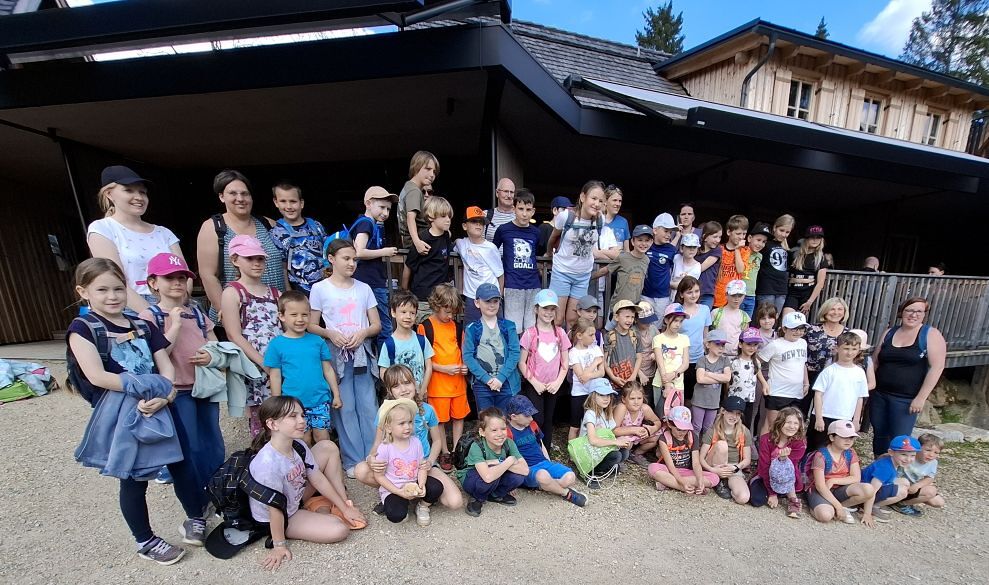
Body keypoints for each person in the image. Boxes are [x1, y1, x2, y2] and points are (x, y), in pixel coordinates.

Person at [69, 258, 191, 565]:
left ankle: (196, 517)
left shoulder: (143, 325)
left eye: (118, 289)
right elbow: (97, 376)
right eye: (102, 290)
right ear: (83, 292)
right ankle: (145, 540)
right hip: (124, 409)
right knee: (134, 475)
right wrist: (145, 388)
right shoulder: (83, 329)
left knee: (182, 461)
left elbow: (164, 365)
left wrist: (165, 393)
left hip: (160, 402)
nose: (112, 296)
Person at [139, 253, 224, 502]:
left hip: (204, 385)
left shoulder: (196, 312)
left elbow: (215, 345)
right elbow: (156, 355)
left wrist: (211, 356)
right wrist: (174, 325)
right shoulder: (150, 316)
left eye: (181, 278)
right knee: (190, 444)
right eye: (169, 278)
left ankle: (218, 490)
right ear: (153, 283)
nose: (177, 283)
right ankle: (197, 497)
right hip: (177, 390)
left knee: (212, 440)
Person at [249, 397, 359, 570]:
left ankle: (341, 503)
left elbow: (316, 477)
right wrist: (279, 546)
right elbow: (274, 509)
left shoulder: (298, 445)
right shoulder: (267, 464)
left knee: (327, 446)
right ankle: (316, 509)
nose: (302, 421)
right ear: (272, 424)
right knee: (339, 530)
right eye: (293, 416)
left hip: (295, 494)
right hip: (283, 513)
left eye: (302, 415)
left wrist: (344, 508)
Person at [308, 238, 382, 478]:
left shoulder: (364, 288)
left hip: (362, 352)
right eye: (346, 258)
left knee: (368, 404)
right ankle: (352, 459)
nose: (351, 263)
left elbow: (376, 324)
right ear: (331, 259)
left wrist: (363, 333)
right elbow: (311, 325)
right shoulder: (320, 289)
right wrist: (330, 333)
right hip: (335, 352)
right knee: (344, 406)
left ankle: (374, 455)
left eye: (354, 259)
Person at [355, 365, 463, 519]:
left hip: (422, 465)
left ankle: (421, 499)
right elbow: (377, 443)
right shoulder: (385, 413)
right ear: (390, 390)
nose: (403, 389)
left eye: (407, 383)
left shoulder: (428, 410)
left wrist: (430, 462)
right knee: (361, 470)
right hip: (395, 468)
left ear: (415, 383)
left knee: (455, 502)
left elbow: (437, 441)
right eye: (396, 386)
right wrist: (371, 458)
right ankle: (394, 494)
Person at [87, 165, 186, 313]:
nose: (139, 197)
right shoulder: (102, 228)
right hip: (128, 306)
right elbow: (115, 279)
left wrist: (176, 307)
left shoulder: (164, 233)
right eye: (128, 190)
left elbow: (185, 274)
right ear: (109, 194)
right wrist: (155, 316)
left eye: (142, 192)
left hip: (174, 303)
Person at [197, 170, 286, 325]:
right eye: (233, 193)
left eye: (245, 193)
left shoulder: (268, 224)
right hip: (237, 317)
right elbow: (208, 275)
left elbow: (285, 266)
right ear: (221, 196)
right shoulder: (214, 227)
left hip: (274, 315)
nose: (240, 198)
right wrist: (225, 313)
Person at [219, 235, 281, 437]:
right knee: (261, 419)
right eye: (250, 258)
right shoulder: (233, 293)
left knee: (284, 413)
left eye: (260, 258)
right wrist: (264, 363)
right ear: (235, 260)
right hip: (254, 366)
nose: (256, 263)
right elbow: (233, 334)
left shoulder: (275, 294)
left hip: (279, 364)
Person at [870, 297, 946, 457]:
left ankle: (897, 469)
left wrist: (921, 397)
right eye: (909, 310)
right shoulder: (889, 332)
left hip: (906, 399)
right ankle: (880, 465)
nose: (913, 314)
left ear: (924, 314)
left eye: (919, 311)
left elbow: (937, 367)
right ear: (901, 312)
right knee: (879, 434)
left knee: (900, 439)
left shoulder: (930, 334)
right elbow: (875, 361)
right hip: (880, 395)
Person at [265, 291, 342, 445]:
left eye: (305, 315)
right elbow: (275, 376)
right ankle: (305, 462)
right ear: (282, 316)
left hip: (320, 400)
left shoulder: (317, 341)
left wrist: (336, 394)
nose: (300, 319)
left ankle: (324, 461)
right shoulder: (276, 344)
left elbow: (327, 369)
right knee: (302, 440)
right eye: (294, 315)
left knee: (322, 438)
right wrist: (277, 402)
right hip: (293, 404)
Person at [546, 180, 618, 327]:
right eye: (593, 198)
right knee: (557, 319)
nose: (597, 204)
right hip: (562, 271)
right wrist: (549, 253)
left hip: (583, 275)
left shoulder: (600, 219)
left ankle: (570, 343)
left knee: (574, 319)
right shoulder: (566, 216)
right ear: (583, 197)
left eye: (601, 201)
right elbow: (553, 237)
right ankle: (555, 342)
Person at [417, 284, 469, 471]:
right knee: (439, 419)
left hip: (457, 383)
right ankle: (445, 451)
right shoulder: (426, 327)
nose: (450, 316)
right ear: (436, 305)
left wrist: (465, 367)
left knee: (458, 417)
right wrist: (443, 369)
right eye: (447, 312)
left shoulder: (457, 327)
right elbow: (423, 359)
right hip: (438, 384)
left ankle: (457, 450)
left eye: (453, 312)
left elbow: (463, 351)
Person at [371, 398, 446, 525]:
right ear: (388, 428)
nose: (407, 427)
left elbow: (422, 466)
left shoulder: (416, 442)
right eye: (401, 423)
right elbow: (379, 476)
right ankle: (400, 502)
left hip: (414, 482)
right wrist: (398, 492)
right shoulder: (384, 448)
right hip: (395, 487)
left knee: (436, 487)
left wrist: (421, 484)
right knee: (396, 515)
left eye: (410, 422)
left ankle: (423, 506)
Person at [506, 395, 587, 506]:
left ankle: (546, 486)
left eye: (531, 415)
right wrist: (511, 482)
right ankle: (566, 493)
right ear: (514, 416)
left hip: (543, 463)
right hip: (527, 469)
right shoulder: (508, 433)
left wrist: (548, 461)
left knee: (570, 477)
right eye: (527, 415)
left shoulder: (533, 425)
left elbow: (541, 444)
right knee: (543, 475)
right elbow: (506, 457)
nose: (531, 418)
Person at [518, 289, 571, 451]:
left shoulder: (560, 333)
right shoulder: (530, 334)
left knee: (548, 420)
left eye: (552, 309)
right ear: (536, 309)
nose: (549, 312)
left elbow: (565, 362)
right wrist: (535, 383)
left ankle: (545, 451)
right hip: (535, 385)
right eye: (545, 308)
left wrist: (558, 382)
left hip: (553, 385)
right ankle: (532, 450)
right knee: (536, 418)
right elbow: (522, 363)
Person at [458, 407, 530, 517]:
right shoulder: (477, 446)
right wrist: (509, 460)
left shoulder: (509, 443)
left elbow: (525, 470)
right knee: (491, 474)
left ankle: (496, 495)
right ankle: (477, 498)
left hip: (493, 474)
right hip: (472, 479)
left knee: (518, 477)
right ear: (482, 432)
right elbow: (487, 477)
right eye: (494, 430)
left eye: (503, 429)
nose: (500, 434)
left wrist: (498, 462)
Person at [352, 186, 400, 346]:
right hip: (370, 281)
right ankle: (385, 360)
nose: (385, 213)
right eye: (382, 207)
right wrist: (384, 251)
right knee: (384, 326)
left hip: (367, 281)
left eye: (388, 209)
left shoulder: (371, 223)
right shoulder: (366, 223)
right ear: (368, 203)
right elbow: (359, 251)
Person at [463, 282, 521, 412]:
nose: (492, 305)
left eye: (495, 301)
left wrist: (500, 378)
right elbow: (468, 356)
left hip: (506, 382)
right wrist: (487, 379)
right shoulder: (472, 329)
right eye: (487, 301)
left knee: (505, 419)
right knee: (486, 419)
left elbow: (515, 353)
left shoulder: (509, 326)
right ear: (477, 303)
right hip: (482, 384)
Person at [807, 420, 877, 526]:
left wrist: (833, 480)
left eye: (851, 437)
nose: (848, 441)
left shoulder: (851, 453)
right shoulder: (820, 455)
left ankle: (840, 507)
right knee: (825, 516)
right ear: (832, 437)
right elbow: (820, 486)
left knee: (869, 489)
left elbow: (856, 477)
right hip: (822, 490)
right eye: (844, 437)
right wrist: (837, 506)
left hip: (840, 488)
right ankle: (834, 507)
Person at [809, 331, 869, 451]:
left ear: (859, 350)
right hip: (825, 416)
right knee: (816, 448)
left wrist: (856, 420)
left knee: (838, 449)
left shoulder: (860, 372)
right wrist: (819, 418)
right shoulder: (829, 371)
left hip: (845, 417)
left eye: (854, 349)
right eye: (846, 348)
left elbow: (860, 397)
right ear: (837, 349)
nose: (850, 352)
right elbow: (818, 394)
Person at [268, 181, 327, 296]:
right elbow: (282, 267)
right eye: (283, 201)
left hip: (325, 286)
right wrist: (288, 291)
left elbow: (328, 252)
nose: (289, 206)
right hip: (300, 290)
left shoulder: (316, 226)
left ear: (301, 203)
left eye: (293, 201)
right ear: (276, 202)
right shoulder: (276, 233)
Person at [494, 188, 541, 332]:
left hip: (533, 285)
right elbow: (493, 252)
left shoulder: (536, 232)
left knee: (531, 329)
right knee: (513, 328)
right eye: (521, 209)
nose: (524, 213)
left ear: (533, 211)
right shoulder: (503, 230)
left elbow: (537, 253)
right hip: (512, 284)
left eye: (528, 209)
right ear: (514, 209)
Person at [757, 311, 809, 434]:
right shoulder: (775, 345)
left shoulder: (803, 343)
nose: (798, 332)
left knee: (790, 427)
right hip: (777, 391)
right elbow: (756, 362)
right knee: (771, 425)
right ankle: (763, 446)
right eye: (794, 328)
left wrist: (806, 382)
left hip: (796, 392)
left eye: (801, 328)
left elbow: (803, 364)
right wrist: (764, 383)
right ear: (785, 329)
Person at [749, 407, 807, 517]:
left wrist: (782, 459)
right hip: (766, 475)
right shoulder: (766, 439)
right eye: (788, 422)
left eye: (796, 423)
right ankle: (776, 492)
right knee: (757, 500)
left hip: (787, 478)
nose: (792, 426)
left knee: (786, 468)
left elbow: (790, 469)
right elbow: (764, 467)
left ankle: (793, 499)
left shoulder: (800, 443)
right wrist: (772, 493)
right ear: (780, 422)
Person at [405, 196, 454, 322]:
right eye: (443, 216)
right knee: (425, 329)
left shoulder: (446, 236)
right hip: (423, 297)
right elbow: (408, 265)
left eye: (449, 216)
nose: (448, 220)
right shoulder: (422, 239)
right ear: (431, 217)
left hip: (440, 297)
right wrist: (404, 292)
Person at [648, 406, 718, 494]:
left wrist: (700, 481)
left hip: (686, 471)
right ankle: (683, 487)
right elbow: (671, 466)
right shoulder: (663, 439)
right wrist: (682, 483)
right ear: (669, 424)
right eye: (679, 429)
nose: (682, 433)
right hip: (669, 470)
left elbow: (696, 463)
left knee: (715, 478)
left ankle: (669, 483)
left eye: (685, 430)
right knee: (652, 468)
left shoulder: (692, 437)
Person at [377, 289, 434, 394]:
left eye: (412, 313)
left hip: (419, 394)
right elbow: (383, 371)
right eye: (403, 312)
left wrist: (422, 391)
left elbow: (429, 367)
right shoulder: (389, 344)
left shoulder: (422, 340)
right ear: (393, 312)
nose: (408, 316)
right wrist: (394, 391)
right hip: (399, 396)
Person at [397, 150, 439, 288]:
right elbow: (411, 217)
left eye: (434, 171)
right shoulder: (414, 191)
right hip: (419, 241)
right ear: (416, 167)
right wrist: (417, 242)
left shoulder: (408, 187)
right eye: (427, 169)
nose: (432, 174)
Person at [699, 396, 753, 503]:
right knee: (722, 445)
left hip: (732, 467)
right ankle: (717, 479)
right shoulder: (712, 430)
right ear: (723, 411)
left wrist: (736, 467)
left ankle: (726, 482)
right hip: (714, 465)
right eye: (731, 412)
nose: (734, 416)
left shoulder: (744, 431)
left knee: (743, 498)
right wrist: (713, 470)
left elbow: (747, 459)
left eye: (738, 413)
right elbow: (701, 458)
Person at [457, 206, 504, 324]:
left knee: (496, 330)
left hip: (491, 297)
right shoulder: (461, 243)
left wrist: (499, 297)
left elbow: (500, 274)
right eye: (474, 221)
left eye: (481, 222)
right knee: (471, 330)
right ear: (464, 226)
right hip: (472, 296)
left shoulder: (490, 248)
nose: (478, 225)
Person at [580, 379, 632, 485]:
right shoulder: (590, 414)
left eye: (608, 395)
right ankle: (590, 472)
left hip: (600, 449)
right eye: (601, 395)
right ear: (593, 396)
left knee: (624, 452)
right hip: (588, 451)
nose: (606, 398)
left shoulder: (605, 412)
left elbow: (610, 433)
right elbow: (593, 441)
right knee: (616, 455)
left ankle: (605, 468)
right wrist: (615, 442)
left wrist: (622, 441)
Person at [861, 435, 919, 523]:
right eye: (903, 454)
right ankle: (871, 506)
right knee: (903, 492)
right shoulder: (885, 468)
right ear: (891, 452)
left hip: (871, 486)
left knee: (905, 482)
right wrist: (867, 514)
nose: (908, 459)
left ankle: (876, 504)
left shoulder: (891, 461)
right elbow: (872, 490)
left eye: (912, 455)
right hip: (864, 492)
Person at [568, 317, 606, 439]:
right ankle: (572, 449)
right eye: (590, 335)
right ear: (579, 335)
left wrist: (587, 375)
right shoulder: (573, 353)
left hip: (594, 393)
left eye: (594, 334)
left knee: (592, 423)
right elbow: (582, 378)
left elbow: (602, 373)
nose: (594, 338)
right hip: (579, 394)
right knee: (575, 426)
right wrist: (595, 363)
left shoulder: (595, 349)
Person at [675, 276, 711, 403]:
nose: (694, 295)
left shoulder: (705, 309)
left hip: (698, 358)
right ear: (681, 294)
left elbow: (705, 335)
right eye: (689, 292)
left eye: (696, 291)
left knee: (694, 396)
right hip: (679, 359)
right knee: (679, 396)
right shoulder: (676, 310)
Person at [604, 224, 652, 316]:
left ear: (651, 242)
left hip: (634, 306)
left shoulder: (647, 260)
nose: (643, 243)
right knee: (612, 324)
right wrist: (589, 278)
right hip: (618, 305)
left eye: (647, 240)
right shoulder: (623, 257)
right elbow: (606, 270)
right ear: (633, 241)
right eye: (640, 240)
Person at [784, 225, 832, 315]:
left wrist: (809, 302)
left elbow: (820, 283)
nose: (815, 240)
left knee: (800, 321)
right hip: (792, 291)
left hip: (807, 293)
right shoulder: (795, 254)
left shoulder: (821, 258)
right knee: (787, 318)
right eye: (812, 237)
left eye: (818, 238)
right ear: (806, 239)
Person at [804, 297, 851, 390]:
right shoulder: (811, 329)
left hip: (834, 377)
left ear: (844, 312)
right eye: (832, 309)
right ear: (825, 311)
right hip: (808, 376)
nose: (836, 312)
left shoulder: (848, 334)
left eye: (840, 309)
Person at [653, 303, 690, 417]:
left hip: (678, 384)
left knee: (676, 417)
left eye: (680, 321)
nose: (678, 324)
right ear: (666, 320)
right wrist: (666, 384)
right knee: (661, 415)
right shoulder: (658, 338)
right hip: (660, 383)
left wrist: (674, 374)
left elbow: (685, 363)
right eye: (675, 321)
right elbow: (660, 363)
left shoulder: (684, 338)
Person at [613, 381, 662, 466]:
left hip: (637, 435)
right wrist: (634, 430)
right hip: (623, 436)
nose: (636, 402)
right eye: (632, 399)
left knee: (657, 436)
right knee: (626, 443)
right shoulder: (622, 408)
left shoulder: (644, 408)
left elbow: (657, 422)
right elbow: (613, 431)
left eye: (639, 398)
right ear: (624, 399)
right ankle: (623, 456)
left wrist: (651, 429)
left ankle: (636, 454)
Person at [692, 330, 732, 435]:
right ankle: (695, 445)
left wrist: (708, 374)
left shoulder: (725, 360)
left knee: (708, 427)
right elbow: (700, 379)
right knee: (696, 426)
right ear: (708, 345)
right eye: (717, 344)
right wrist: (720, 378)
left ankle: (705, 445)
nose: (721, 347)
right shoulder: (702, 360)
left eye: (723, 345)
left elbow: (727, 378)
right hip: (699, 400)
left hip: (713, 402)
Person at [896, 433, 946, 515]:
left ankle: (902, 504)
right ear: (918, 448)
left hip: (911, 488)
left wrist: (917, 486)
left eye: (936, 452)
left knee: (938, 502)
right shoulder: (910, 455)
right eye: (928, 450)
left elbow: (929, 478)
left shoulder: (933, 463)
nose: (931, 455)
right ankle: (895, 501)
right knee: (930, 491)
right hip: (898, 485)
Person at [755, 214, 795, 315]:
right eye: (781, 230)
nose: (784, 234)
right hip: (766, 287)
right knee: (765, 317)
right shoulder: (766, 243)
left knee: (775, 318)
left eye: (787, 232)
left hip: (781, 289)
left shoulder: (786, 247)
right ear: (774, 228)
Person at [729, 327, 766, 434]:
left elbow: (759, 375)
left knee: (745, 426)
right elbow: (727, 382)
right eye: (749, 344)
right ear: (741, 344)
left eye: (755, 345)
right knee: (732, 425)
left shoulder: (756, 362)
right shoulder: (733, 362)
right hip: (734, 399)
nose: (752, 348)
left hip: (749, 400)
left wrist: (765, 385)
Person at [641, 213, 678, 318]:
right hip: (645, 294)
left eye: (670, 232)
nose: (668, 235)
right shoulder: (645, 246)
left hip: (663, 297)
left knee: (658, 325)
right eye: (666, 231)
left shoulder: (672, 250)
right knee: (643, 323)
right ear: (655, 230)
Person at [713, 215, 749, 309]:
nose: (741, 237)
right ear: (729, 232)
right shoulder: (719, 249)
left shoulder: (745, 250)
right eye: (738, 233)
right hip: (718, 296)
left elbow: (740, 270)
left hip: (734, 297)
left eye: (744, 234)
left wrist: (737, 250)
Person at [604, 300, 642, 390]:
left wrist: (633, 376)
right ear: (616, 317)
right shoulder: (609, 336)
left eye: (632, 317)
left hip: (631, 384)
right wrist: (613, 377)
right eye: (627, 316)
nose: (630, 320)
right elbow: (604, 361)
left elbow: (639, 357)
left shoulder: (635, 335)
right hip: (613, 385)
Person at [710, 279, 751, 356]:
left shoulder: (744, 316)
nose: (736, 299)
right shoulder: (716, 313)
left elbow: (745, 338)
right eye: (733, 295)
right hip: (717, 355)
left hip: (736, 355)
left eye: (740, 296)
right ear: (726, 295)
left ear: (744, 296)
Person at [740, 222, 770, 318]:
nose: (760, 244)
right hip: (739, 294)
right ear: (749, 238)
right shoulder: (741, 251)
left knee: (747, 322)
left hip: (751, 295)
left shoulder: (760, 256)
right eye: (758, 240)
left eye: (764, 242)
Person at [635, 301, 661, 408]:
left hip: (651, 371)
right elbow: (629, 356)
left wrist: (656, 353)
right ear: (636, 320)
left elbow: (660, 344)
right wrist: (639, 373)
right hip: (637, 372)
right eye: (645, 321)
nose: (648, 323)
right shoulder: (632, 332)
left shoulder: (653, 329)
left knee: (649, 401)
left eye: (650, 320)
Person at [695, 221, 723, 309]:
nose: (718, 240)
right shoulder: (695, 248)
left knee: (704, 316)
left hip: (707, 293)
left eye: (720, 237)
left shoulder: (717, 251)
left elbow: (701, 268)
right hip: (693, 291)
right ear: (705, 237)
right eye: (715, 237)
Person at [483, 177, 517, 242]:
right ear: (497, 193)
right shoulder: (485, 215)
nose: (509, 195)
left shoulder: (520, 216)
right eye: (506, 191)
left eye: (512, 192)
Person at [669, 232, 701, 300]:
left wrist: (666, 283)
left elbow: (685, 286)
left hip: (683, 300)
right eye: (689, 246)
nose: (692, 249)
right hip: (668, 296)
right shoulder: (676, 258)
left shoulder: (697, 266)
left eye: (694, 247)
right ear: (681, 248)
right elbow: (668, 251)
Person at [602, 184, 630, 250]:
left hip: (620, 256)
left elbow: (626, 250)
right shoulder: (596, 220)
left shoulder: (623, 222)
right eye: (614, 200)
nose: (618, 204)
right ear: (605, 201)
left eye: (620, 201)